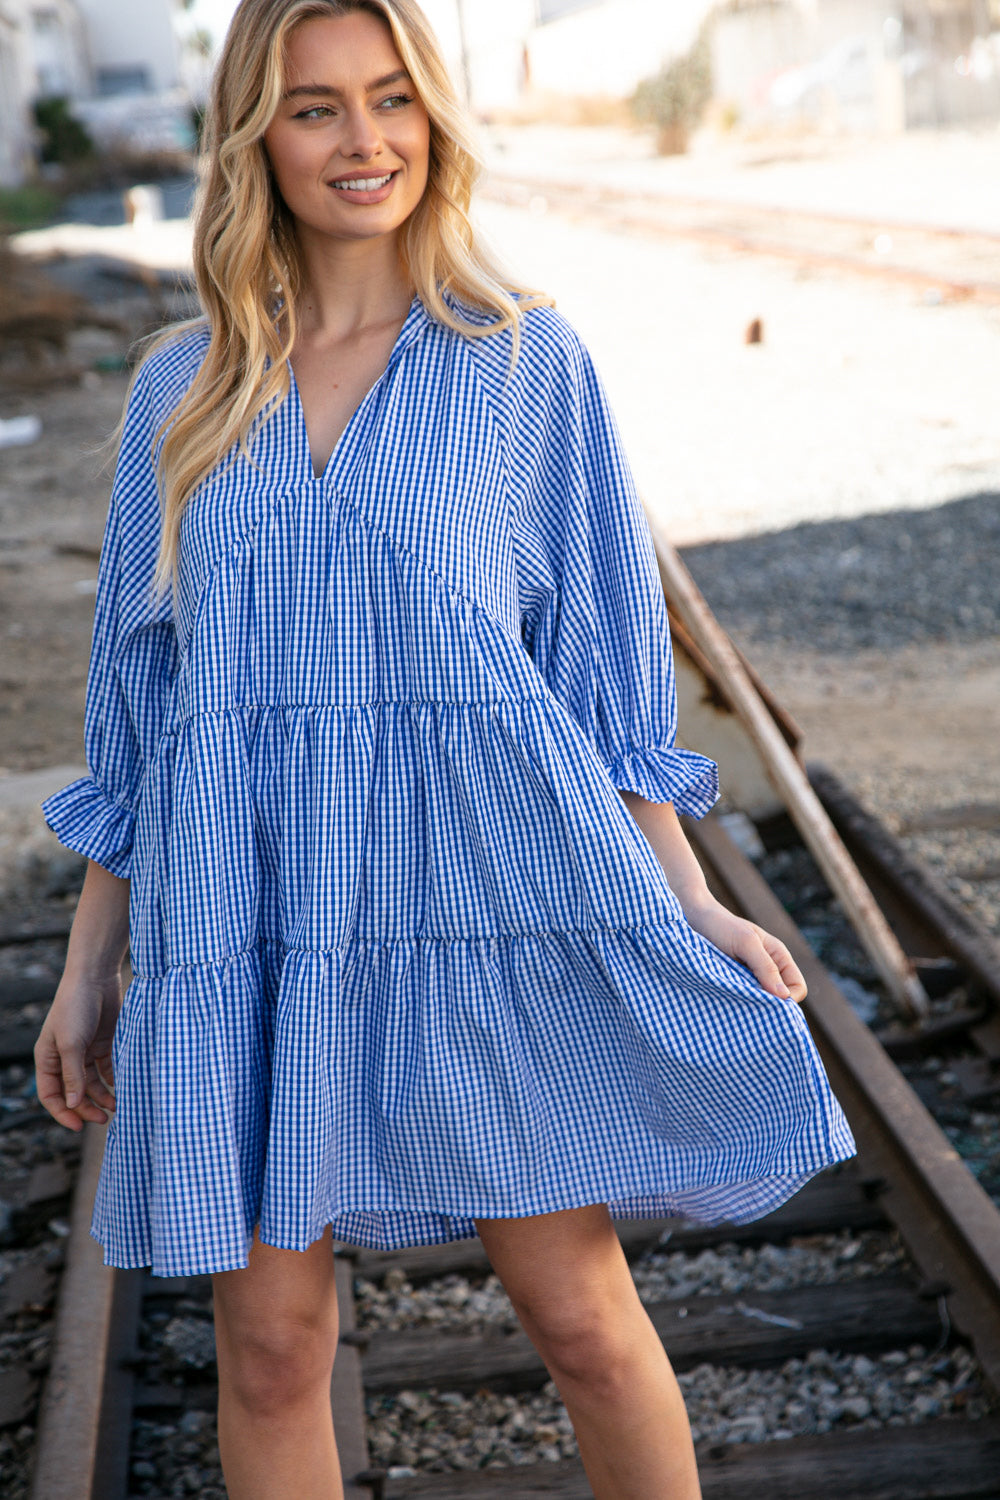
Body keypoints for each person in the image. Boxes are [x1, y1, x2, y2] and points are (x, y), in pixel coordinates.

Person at [33, 3, 857, 1496]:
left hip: (492, 903)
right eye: (316, 109)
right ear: (255, 139)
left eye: (394, 100)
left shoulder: (527, 364)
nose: (364, 142)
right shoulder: (181, 387)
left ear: (437, 120)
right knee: (274, 1350)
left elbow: (602, 682)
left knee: (583, 1324)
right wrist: (94, 964)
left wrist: (693, 903)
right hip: (254, 921)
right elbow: (144, 710)